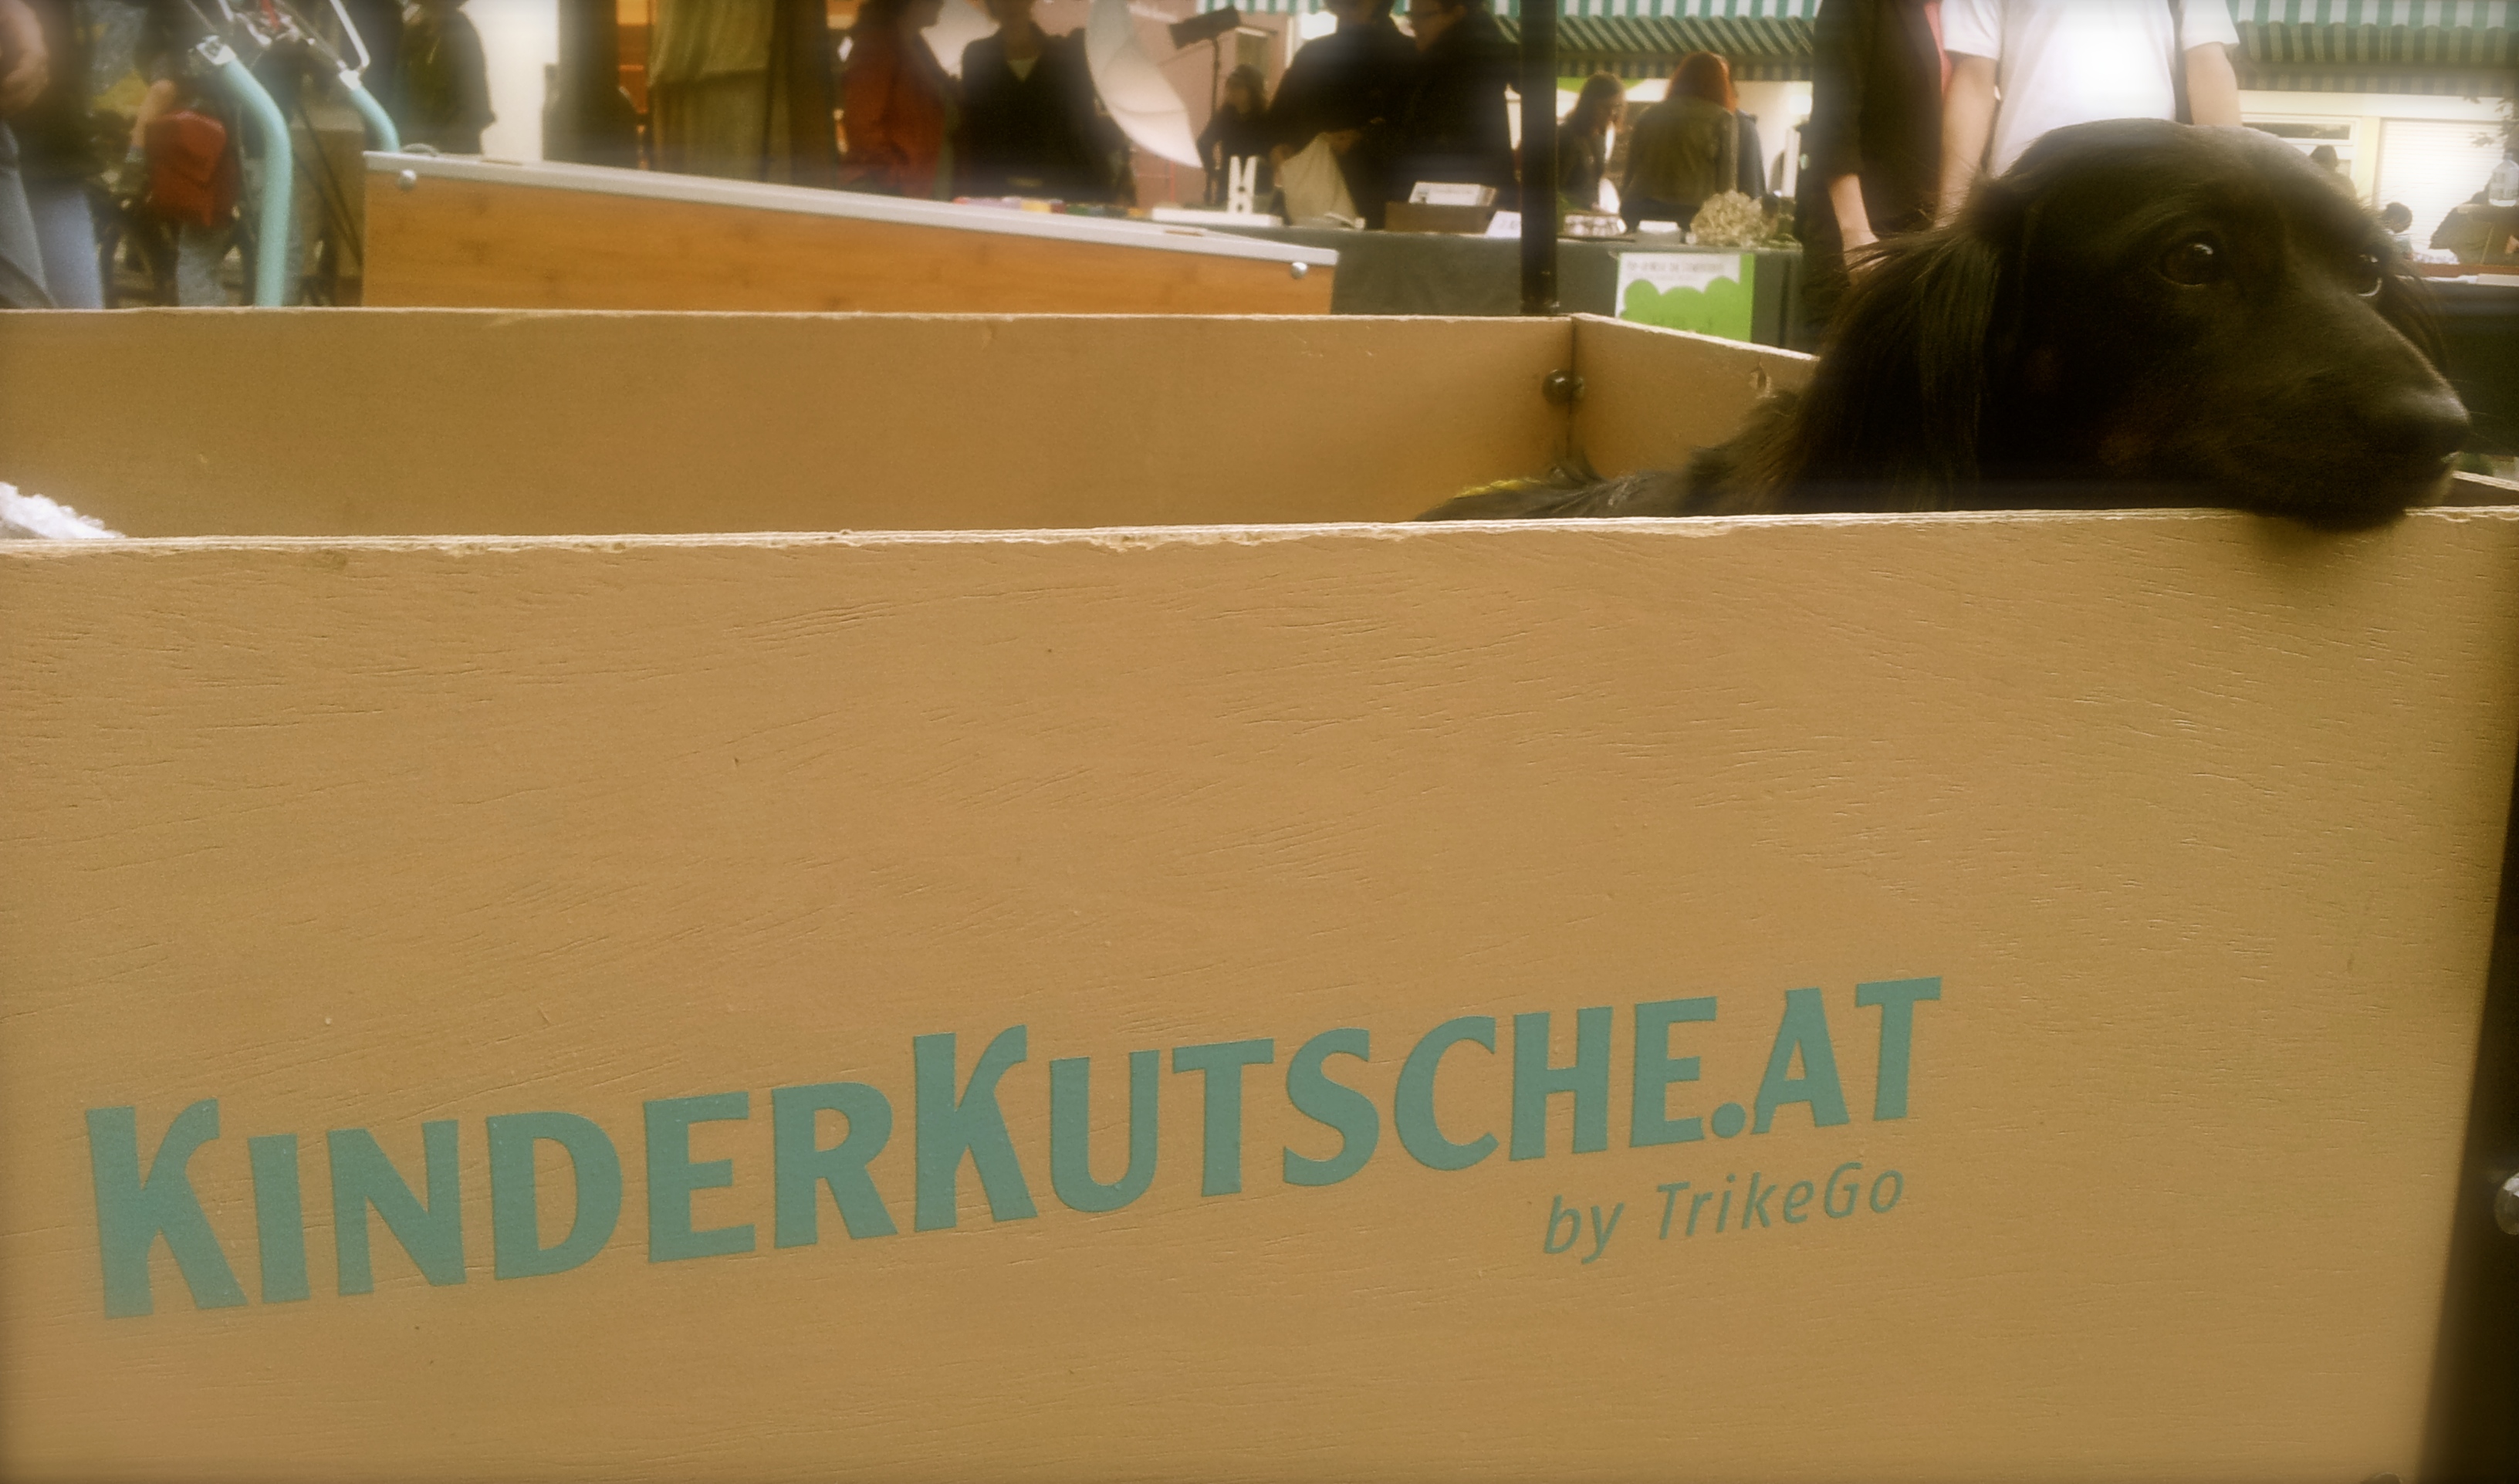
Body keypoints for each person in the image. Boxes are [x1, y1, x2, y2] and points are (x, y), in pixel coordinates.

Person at [1939, 0, 2240, 217]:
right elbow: (1974, 79)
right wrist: (1948, 214)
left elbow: (2207, 64)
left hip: (2146, 181)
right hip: (2025, 183)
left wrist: (2237, 192)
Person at [1795, 0, 1945, 340]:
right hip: (1863, 232)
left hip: (1928, 239)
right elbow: (1833, 122)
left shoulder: (1969, 13)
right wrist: (1857, 236)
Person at [1265, 0, 1415, 228]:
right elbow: (1275, 125)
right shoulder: (1312, 54)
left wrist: (1365, 137)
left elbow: (1419, 135)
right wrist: (1277, 148)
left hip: (1379, 206)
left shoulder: (1409, 55)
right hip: (1311, 206)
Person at [958, 0, 1107, 201]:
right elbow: (974, 126)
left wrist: (1104, 183)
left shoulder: (1067, 54)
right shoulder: (978, 55)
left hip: (1063, 186)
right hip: (996, 187)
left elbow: (1086, 121)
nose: (1010, 4)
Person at [1395, 0, 1514, 206]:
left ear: (1457, 14)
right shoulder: (1471, 57)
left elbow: (1432, 140)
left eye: (1423, 16)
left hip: (1454, 199)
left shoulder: (1457, 66)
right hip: (1473, 197)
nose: (1413, 24)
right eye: (1411, 15)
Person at [840, 0, 954, 198]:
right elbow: (861, 124)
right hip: (890, 190)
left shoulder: (915, 45)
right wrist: (893, 175)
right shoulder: (877, 44)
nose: (942, 2)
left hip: (917, 186)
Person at [1621, 50, 1736, 232]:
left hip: (1640, 207)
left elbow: (1629, 172)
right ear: (1719, 84)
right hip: (1692, 213)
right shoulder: (1723, 119)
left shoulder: (1648, 115)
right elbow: (1727, 184)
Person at [398, 0, 493, 154]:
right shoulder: (416, 32)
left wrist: (437, 149)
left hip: (450, 156)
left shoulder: (462, 33)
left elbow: (476, 111)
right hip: (414, 152)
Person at [1198, 64, 1272, 206]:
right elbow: (1203, 143)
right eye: (1230, 86)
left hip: (1259, 188)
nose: (1232, 91)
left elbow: (1276, 149)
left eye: (1237, 86)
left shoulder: (1266, 119)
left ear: (1252, 90)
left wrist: (1268, 164)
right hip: (1228, 188)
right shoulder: (1224, 118)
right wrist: (1213, 170)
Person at [1554, 71, 1623, 215]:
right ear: (1588, 105)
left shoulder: (1599, 136)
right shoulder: (1566, 135)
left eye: (1616, 106)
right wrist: (1589, 207)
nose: (1612, 113)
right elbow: (1554, 190)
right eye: (1605, 107)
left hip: (1587, 217)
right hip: (1567, 217)